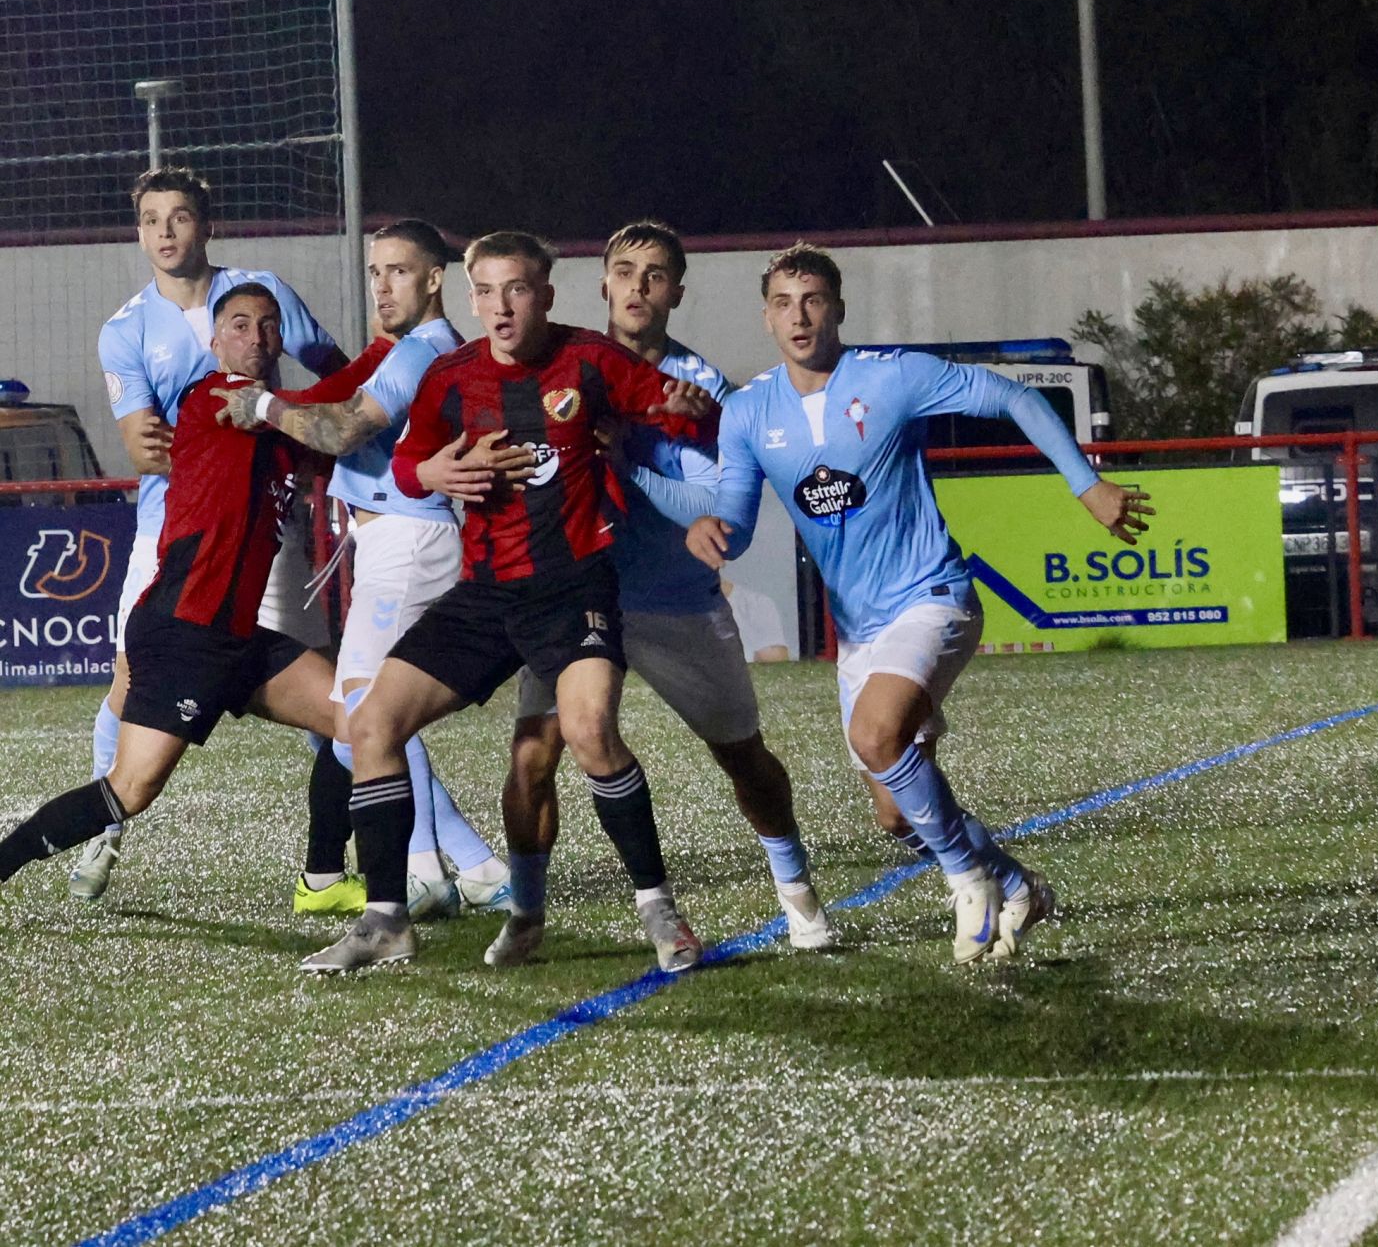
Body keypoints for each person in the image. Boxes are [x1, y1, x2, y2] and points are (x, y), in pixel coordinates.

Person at [680, 243, 1154, 964]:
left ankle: (968, 882)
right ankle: (1015, 882)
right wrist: (716, 527)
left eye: (812, 299)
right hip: (861, 631)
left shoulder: (894, 376)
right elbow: (737, 520)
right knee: (896, 816)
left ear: (837, 307)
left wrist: (1086, 485)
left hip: (933, 596)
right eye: (783, 302)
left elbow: (1015, 398)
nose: (799, 316)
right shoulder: (748, 412)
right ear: (767, 316)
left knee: (877, 737)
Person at [299, 231, 716, 975]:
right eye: (486, 292)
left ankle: (661, 911)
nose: (500, 306)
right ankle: (386, 921)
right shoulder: (450, 376)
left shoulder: (588, 357)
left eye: (516, 289)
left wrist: (692, 409)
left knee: (588, 733)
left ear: (545, 296)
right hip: (487, 593)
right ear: (469, 297)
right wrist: (433, 469)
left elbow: (671, 409)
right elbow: (406, 461)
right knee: (371, 724)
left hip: (572, 589)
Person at [508, 221, 832, 952]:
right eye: (625, 271)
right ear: (603, 284)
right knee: (534, 751)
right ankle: (526, 916)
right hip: (575, 596)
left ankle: (799, 895)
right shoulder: (564, 367)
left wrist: (620, 460)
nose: (638, 287)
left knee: (742, 757)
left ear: (675, 292)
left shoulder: (700, 389)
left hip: (673, 600)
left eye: (655, 275)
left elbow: (711, 507)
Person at [0, 287, 346, 891]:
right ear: (215, 343)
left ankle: (322, 880)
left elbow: (329, 420)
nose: (256, 337)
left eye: (269, 326)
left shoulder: (280, 424)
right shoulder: (216, 398)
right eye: (240, 325)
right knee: (129, 790)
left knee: (359, 720)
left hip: (234, 635)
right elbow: (323, 401)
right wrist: (399, 349)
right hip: (184, 630)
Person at [218, 219, 510, 918]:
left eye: (399, 271)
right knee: (370, 720)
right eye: (375, 272)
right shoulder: (410, 350)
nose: (382, 285)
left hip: (409, 546)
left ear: (435, 279)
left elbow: (344, 427)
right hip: (394, 545)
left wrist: (260, 405)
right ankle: (451, 868)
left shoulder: (421, 352)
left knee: (359, 723)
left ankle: (464, 869)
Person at [79, 167, 352, 906]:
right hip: (171, 531)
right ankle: (106, 836)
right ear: (139, 232)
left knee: (338, 700)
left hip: (268, 526)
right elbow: (145, 448)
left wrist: (278, 419)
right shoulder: (125, 327)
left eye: (180, 216)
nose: (165, 232)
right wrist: (221, 425)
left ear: (207, 225)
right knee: (130, 680)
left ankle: (412, 856)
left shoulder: (259, 294)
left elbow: (341, 383)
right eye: (150, 219)